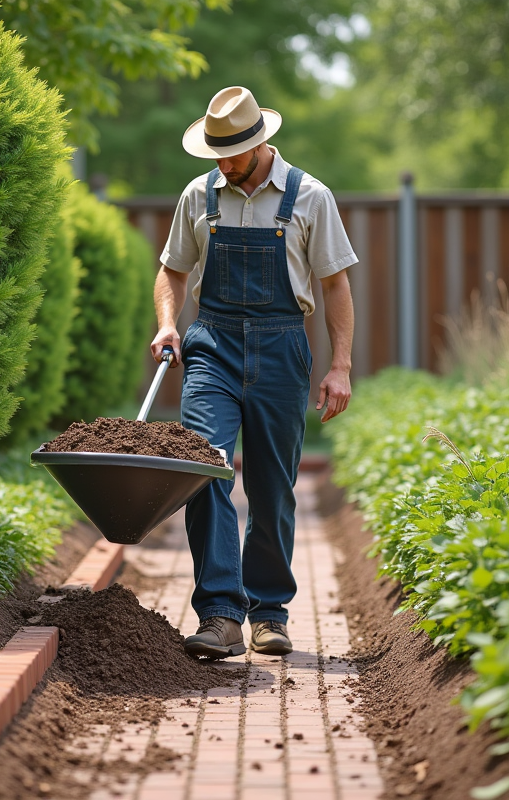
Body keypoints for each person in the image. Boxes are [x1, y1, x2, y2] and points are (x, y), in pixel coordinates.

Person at [150, 86, 357, 658]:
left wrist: (340, 366)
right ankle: (219, 614)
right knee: (206, 467)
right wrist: (169, 323)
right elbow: (171, 272)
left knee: (271, 486)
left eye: (233, 152)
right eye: (216, 152)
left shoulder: (310, 197)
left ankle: (269, 612)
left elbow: (335, 284)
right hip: (212, 343)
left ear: (261, 140)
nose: (223, 163)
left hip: (281, 346)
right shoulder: (199, 195)